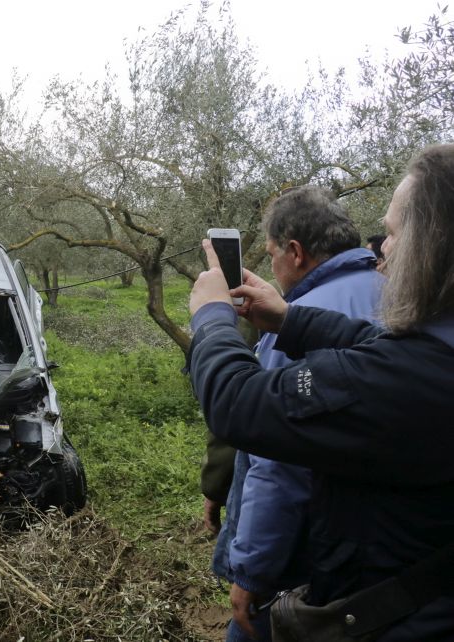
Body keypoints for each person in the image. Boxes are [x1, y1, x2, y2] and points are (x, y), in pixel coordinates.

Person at [188, 144, 454, 639]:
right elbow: (377, 343)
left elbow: (239, 406)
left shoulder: (399, 379)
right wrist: (289, 320)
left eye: (393, 234)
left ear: (433, 246)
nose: (382, 250)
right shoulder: (433, 354)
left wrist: (211, 316)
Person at [206, 186, 384, 641]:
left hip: (305, 554)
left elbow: (278, 461)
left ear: (295, 252)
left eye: (271, 255)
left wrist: (251, 572)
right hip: (381, 553)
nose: (271, 267)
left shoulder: (299, 323)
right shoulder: (398, 293)